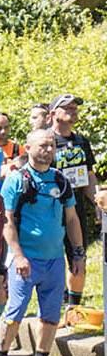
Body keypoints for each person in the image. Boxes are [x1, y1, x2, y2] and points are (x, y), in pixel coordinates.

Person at [0, 127, 83, 356]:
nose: (48, 150)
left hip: (54, 259)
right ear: (29, 148)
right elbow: (7, 221)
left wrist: (78, 255)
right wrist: (19, 255)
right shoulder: (17, 180)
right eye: (42, 145)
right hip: (25, 258)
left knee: (50, 315)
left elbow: (72, 220)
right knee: (15, 311)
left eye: (51, 146)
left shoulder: (60, 180)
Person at [48, 94, 105, 308]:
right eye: (67, 108)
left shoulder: (81, 141)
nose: (73, 111)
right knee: (51, 259)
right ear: (53, 113)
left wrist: (97, 201)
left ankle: (74, 308)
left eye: (75, 108)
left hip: (76, 208)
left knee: (78, 256)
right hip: (49, 210)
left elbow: (89, 176)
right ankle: (53, 305)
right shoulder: (45, 141)